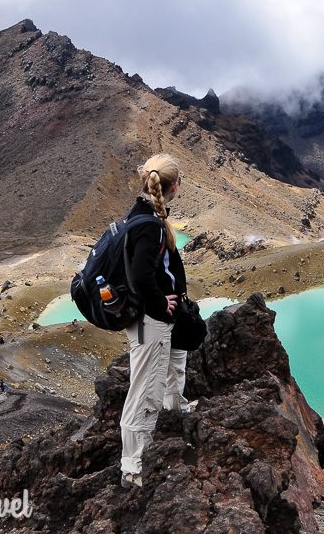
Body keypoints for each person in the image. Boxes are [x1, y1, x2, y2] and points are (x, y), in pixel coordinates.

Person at [118, 153, 191, 488]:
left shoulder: (146, 214)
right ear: (173, 185)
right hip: (151, 321)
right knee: (144, 390)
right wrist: (163, 305)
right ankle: (133, 467)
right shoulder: (149, 225)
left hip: (154, 319)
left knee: (169, 371)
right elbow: (142, 276)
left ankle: (174, 413)